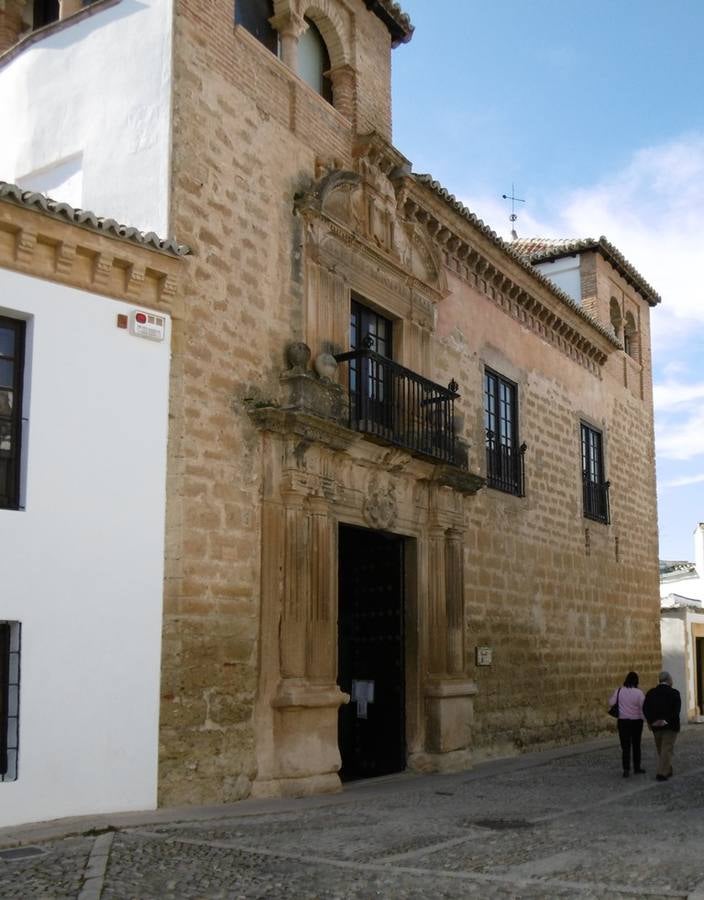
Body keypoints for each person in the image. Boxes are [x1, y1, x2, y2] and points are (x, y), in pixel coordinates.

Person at [643, 671, 681, 782]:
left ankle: (667, 769)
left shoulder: (651, 693)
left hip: (656, 726)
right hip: (670, 726)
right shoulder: (674, 693)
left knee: (661, 748)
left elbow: (645, 709)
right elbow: (676, 711)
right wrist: (665, 721)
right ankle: (662, 773)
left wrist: (651, 721)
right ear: (669, 680)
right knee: (666, 748)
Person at [609, 671, 646, 777]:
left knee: (625, 746)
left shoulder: (619, 691)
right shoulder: (639, 693)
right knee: (636, 745)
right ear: (636, 681)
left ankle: (626, 769)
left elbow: (611, 702)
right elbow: (642, 708)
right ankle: (637, 767)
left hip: (623, 722)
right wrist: (645, 720)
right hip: (636, 722)